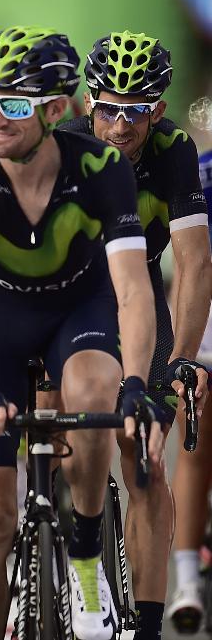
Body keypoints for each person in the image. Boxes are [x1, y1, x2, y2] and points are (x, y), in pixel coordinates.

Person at [0, 26, 164, 640]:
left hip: (76, 310)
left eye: (14, 104)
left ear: (56, 110)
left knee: (94, 393)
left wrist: (137, 381)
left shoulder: (102, 168)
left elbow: (133, 290)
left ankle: (85, 546)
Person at [58, 30, 211, 639]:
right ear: (87, 103)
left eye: (137, 111)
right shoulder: (63, 144)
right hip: (64, 297)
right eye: (109, 109)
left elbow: (195, 263)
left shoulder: (173, 150)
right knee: (63, 432)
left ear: (160, 110)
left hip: (138, 295)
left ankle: (146, 624)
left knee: (144, 456)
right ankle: (70, 550)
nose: (121, 126)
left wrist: (183, 357)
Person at [170, 146, 212, 633]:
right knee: (195, 452)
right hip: (205, 335)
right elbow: (189, 266)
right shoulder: (199, 170)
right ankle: (185, 579)